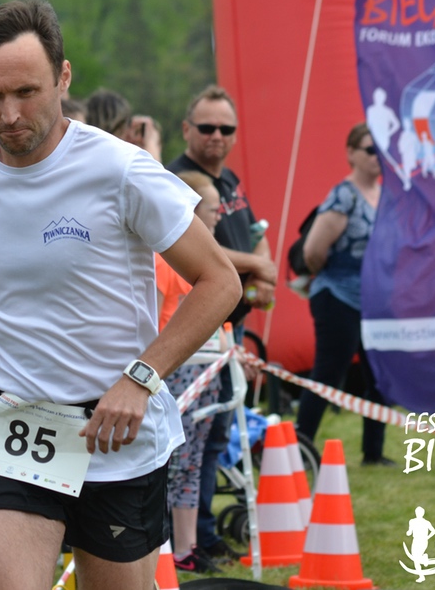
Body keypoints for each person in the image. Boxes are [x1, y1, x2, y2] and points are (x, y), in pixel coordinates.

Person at [0, 0, 241, 590]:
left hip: (114, 431)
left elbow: (221, 281)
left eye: (26, 92)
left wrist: (140, 379)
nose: (9, 114)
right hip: (11, 422)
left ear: (63, 77)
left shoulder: (122, 170)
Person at [166, 84, 275, 564]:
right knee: (192, 446)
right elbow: (197, 247)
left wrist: (260, 272)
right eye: (207, 127)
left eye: (225, 128)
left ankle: (199, 536)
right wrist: (255, 265)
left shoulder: (228, 179)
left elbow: (253, 231)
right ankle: (192, 539)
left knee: (216, 437)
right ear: (186, 129)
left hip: (228, 330)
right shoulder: (175, 180)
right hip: (194, 337)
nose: (216, 135)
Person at [295, 123, 392, 465]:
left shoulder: (387, 195)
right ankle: (300, 447)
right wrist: (337, 276)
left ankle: (374, 453)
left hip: (374, 300)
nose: (377, 157)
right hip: (337, 297)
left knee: (379, 375)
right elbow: (313, 251)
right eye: (370, 149)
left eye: (382, 150)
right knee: (328, 375)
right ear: (351, 153)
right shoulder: (344, 196)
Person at [155, 171, 227, 573]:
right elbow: (152, 321)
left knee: (193, 461)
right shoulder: (163, 261)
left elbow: (217, 313)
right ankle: (161, 548)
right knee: (173, 461)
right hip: (177, 373)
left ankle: (187, 547)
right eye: (213, 209)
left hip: (207, 370)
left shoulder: (210, 258)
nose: (219, 216)